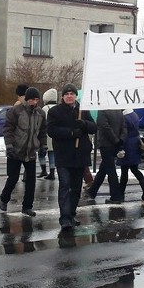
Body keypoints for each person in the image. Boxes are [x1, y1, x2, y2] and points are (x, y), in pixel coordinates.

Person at [47, 83, 97, 231]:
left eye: (72, 94)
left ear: (76, 96)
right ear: (63, 96)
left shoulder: (83, 110)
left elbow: (94, 128)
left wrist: (84, 124)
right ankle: (64, 217)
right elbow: (51, 130)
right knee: (65, 185)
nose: (69, 96)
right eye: (67, 94)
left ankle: (71, 214)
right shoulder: (55, 111)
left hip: (80, 156)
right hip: (63, 155)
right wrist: (70, 133)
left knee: (76, 187)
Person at [0, 87, 47, 216]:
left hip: (31, 151)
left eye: (37, 100)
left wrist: (43, 146)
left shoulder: (40, 113)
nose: (34, 102)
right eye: (32, 99)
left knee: (31, 181)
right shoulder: (15, 112)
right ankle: (4, 198)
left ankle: (27, 207)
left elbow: (42, 132)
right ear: (27, 99)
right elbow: (8, 130)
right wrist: (9, 146)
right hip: (16, 150)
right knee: (13, 178)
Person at [87, 107, 126, 203]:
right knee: (103, 169)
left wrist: (115, 140)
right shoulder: (118, 110)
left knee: (110, 171)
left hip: (106, 144)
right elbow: (124, 127)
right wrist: (120, 140)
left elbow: (104, 127)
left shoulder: (103, 110)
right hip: (115, 144)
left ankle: (116, 196)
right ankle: (92, 191)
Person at [118, 108, 144, 201]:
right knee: (134, 169)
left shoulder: (124, 117)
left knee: (124, 170)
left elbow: (123, 132)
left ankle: (120, 194)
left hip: (127, 144)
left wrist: (120, 147)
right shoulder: (134, 114)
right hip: (135, 143)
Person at [38, 88, 58, 179]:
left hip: (45, 135)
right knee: (52, 153)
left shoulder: (44, 109)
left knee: (41, 153)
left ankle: (44, 170)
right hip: (55, 135)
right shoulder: (58, 108)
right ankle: (52, 171)